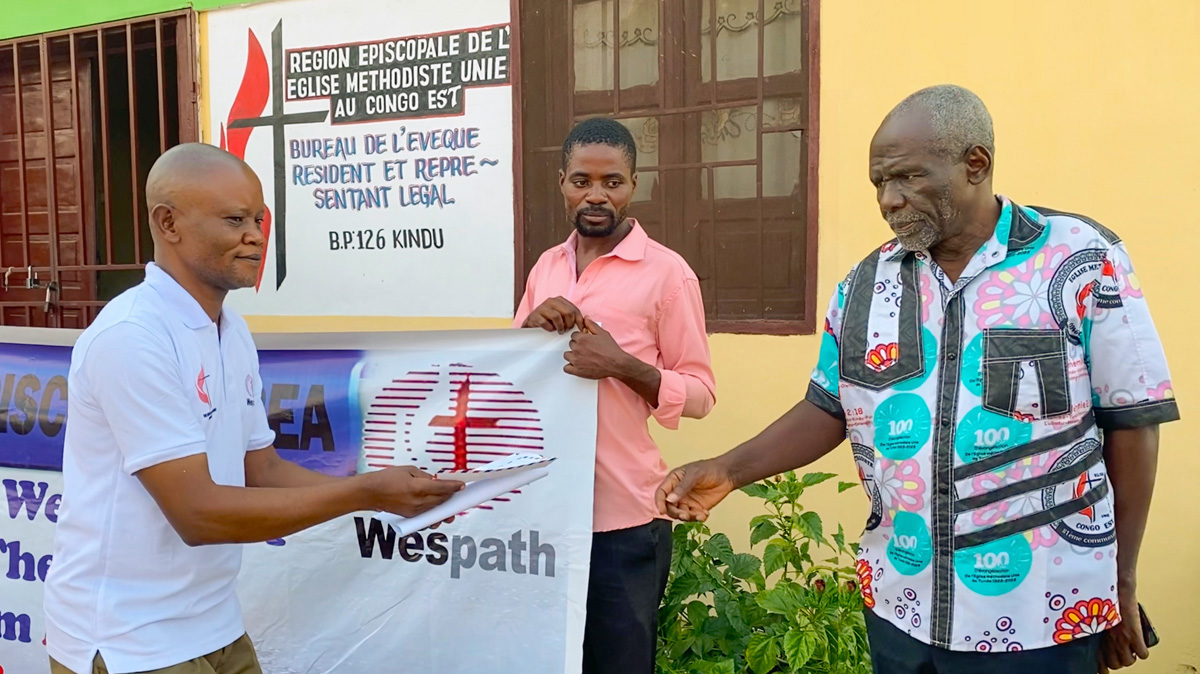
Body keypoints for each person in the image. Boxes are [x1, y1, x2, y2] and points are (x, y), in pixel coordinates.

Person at [656, 85, 1177, 674]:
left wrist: (1120, 579)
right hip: (903, 610)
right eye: (879, 183)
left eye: (906, 178)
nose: (888, 199)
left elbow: (1134, 423)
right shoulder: (864, 285)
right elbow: (829, 408)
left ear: (974, 164)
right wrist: (727, 469)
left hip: (1041, 615)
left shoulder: (1080, 259)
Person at [43, 143, 463, 674]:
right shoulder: (132, 337)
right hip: (129, 640)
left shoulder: (230, 330)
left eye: (260, 219)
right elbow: (196, 514)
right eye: (235, 219)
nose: (257, 236)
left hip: (214, 623)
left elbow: (259, 469)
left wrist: (389, 492)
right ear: (168, 223)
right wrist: (366, 492)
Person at [514, 117, 716, 673]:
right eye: (582, 180)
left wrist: (623, 366)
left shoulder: (667, 275)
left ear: (634, 184)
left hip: (624, 520)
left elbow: (700, 394)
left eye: (612, 182)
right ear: (561, 182)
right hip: (545, 509)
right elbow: (511, 381)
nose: (596, 195)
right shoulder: (546, 267)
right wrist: (530, 330)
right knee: (549, 660)